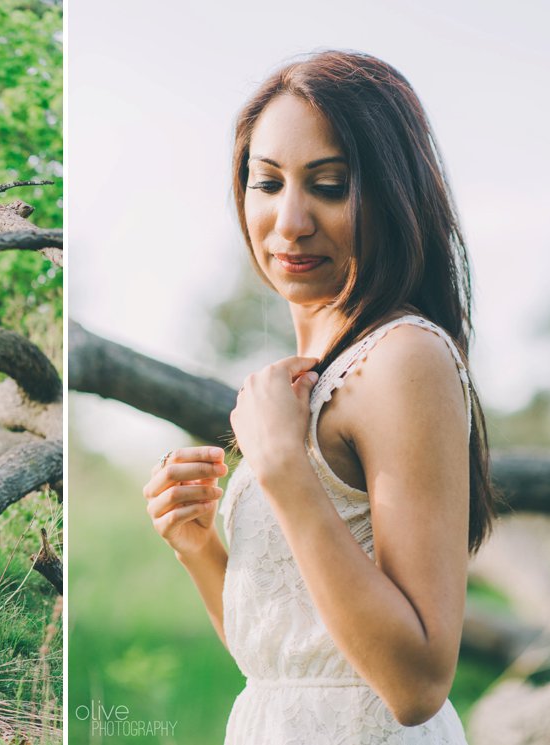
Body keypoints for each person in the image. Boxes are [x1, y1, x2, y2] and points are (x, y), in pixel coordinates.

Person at [141, 51, 497, 743]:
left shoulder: (404, 358)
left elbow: (417, 682)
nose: (289, 220)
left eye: (328, 185)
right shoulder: (321, 369)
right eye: (266, 182)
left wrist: (282, 470)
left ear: (392, 195)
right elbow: (288, 660)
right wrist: (196, 546)